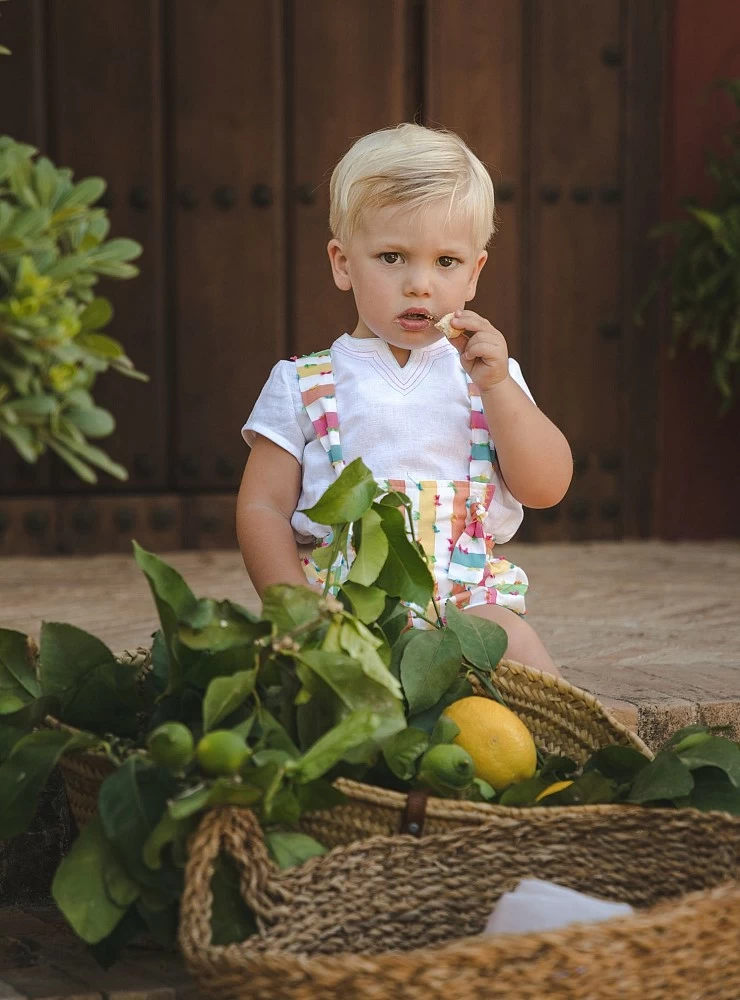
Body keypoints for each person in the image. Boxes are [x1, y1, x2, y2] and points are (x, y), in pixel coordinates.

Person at [237, 124, 572, 677]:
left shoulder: (489, 377)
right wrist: (297, 609)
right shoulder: (304, 382)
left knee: (518, 647)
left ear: (475, 272)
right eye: (392, 257)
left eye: (445, 262)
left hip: (466, 609)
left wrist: (500, 390)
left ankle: (563, 752)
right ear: (343, 263)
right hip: (349, 609)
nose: (419, 284)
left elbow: (545, 487)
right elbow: (263, 507)